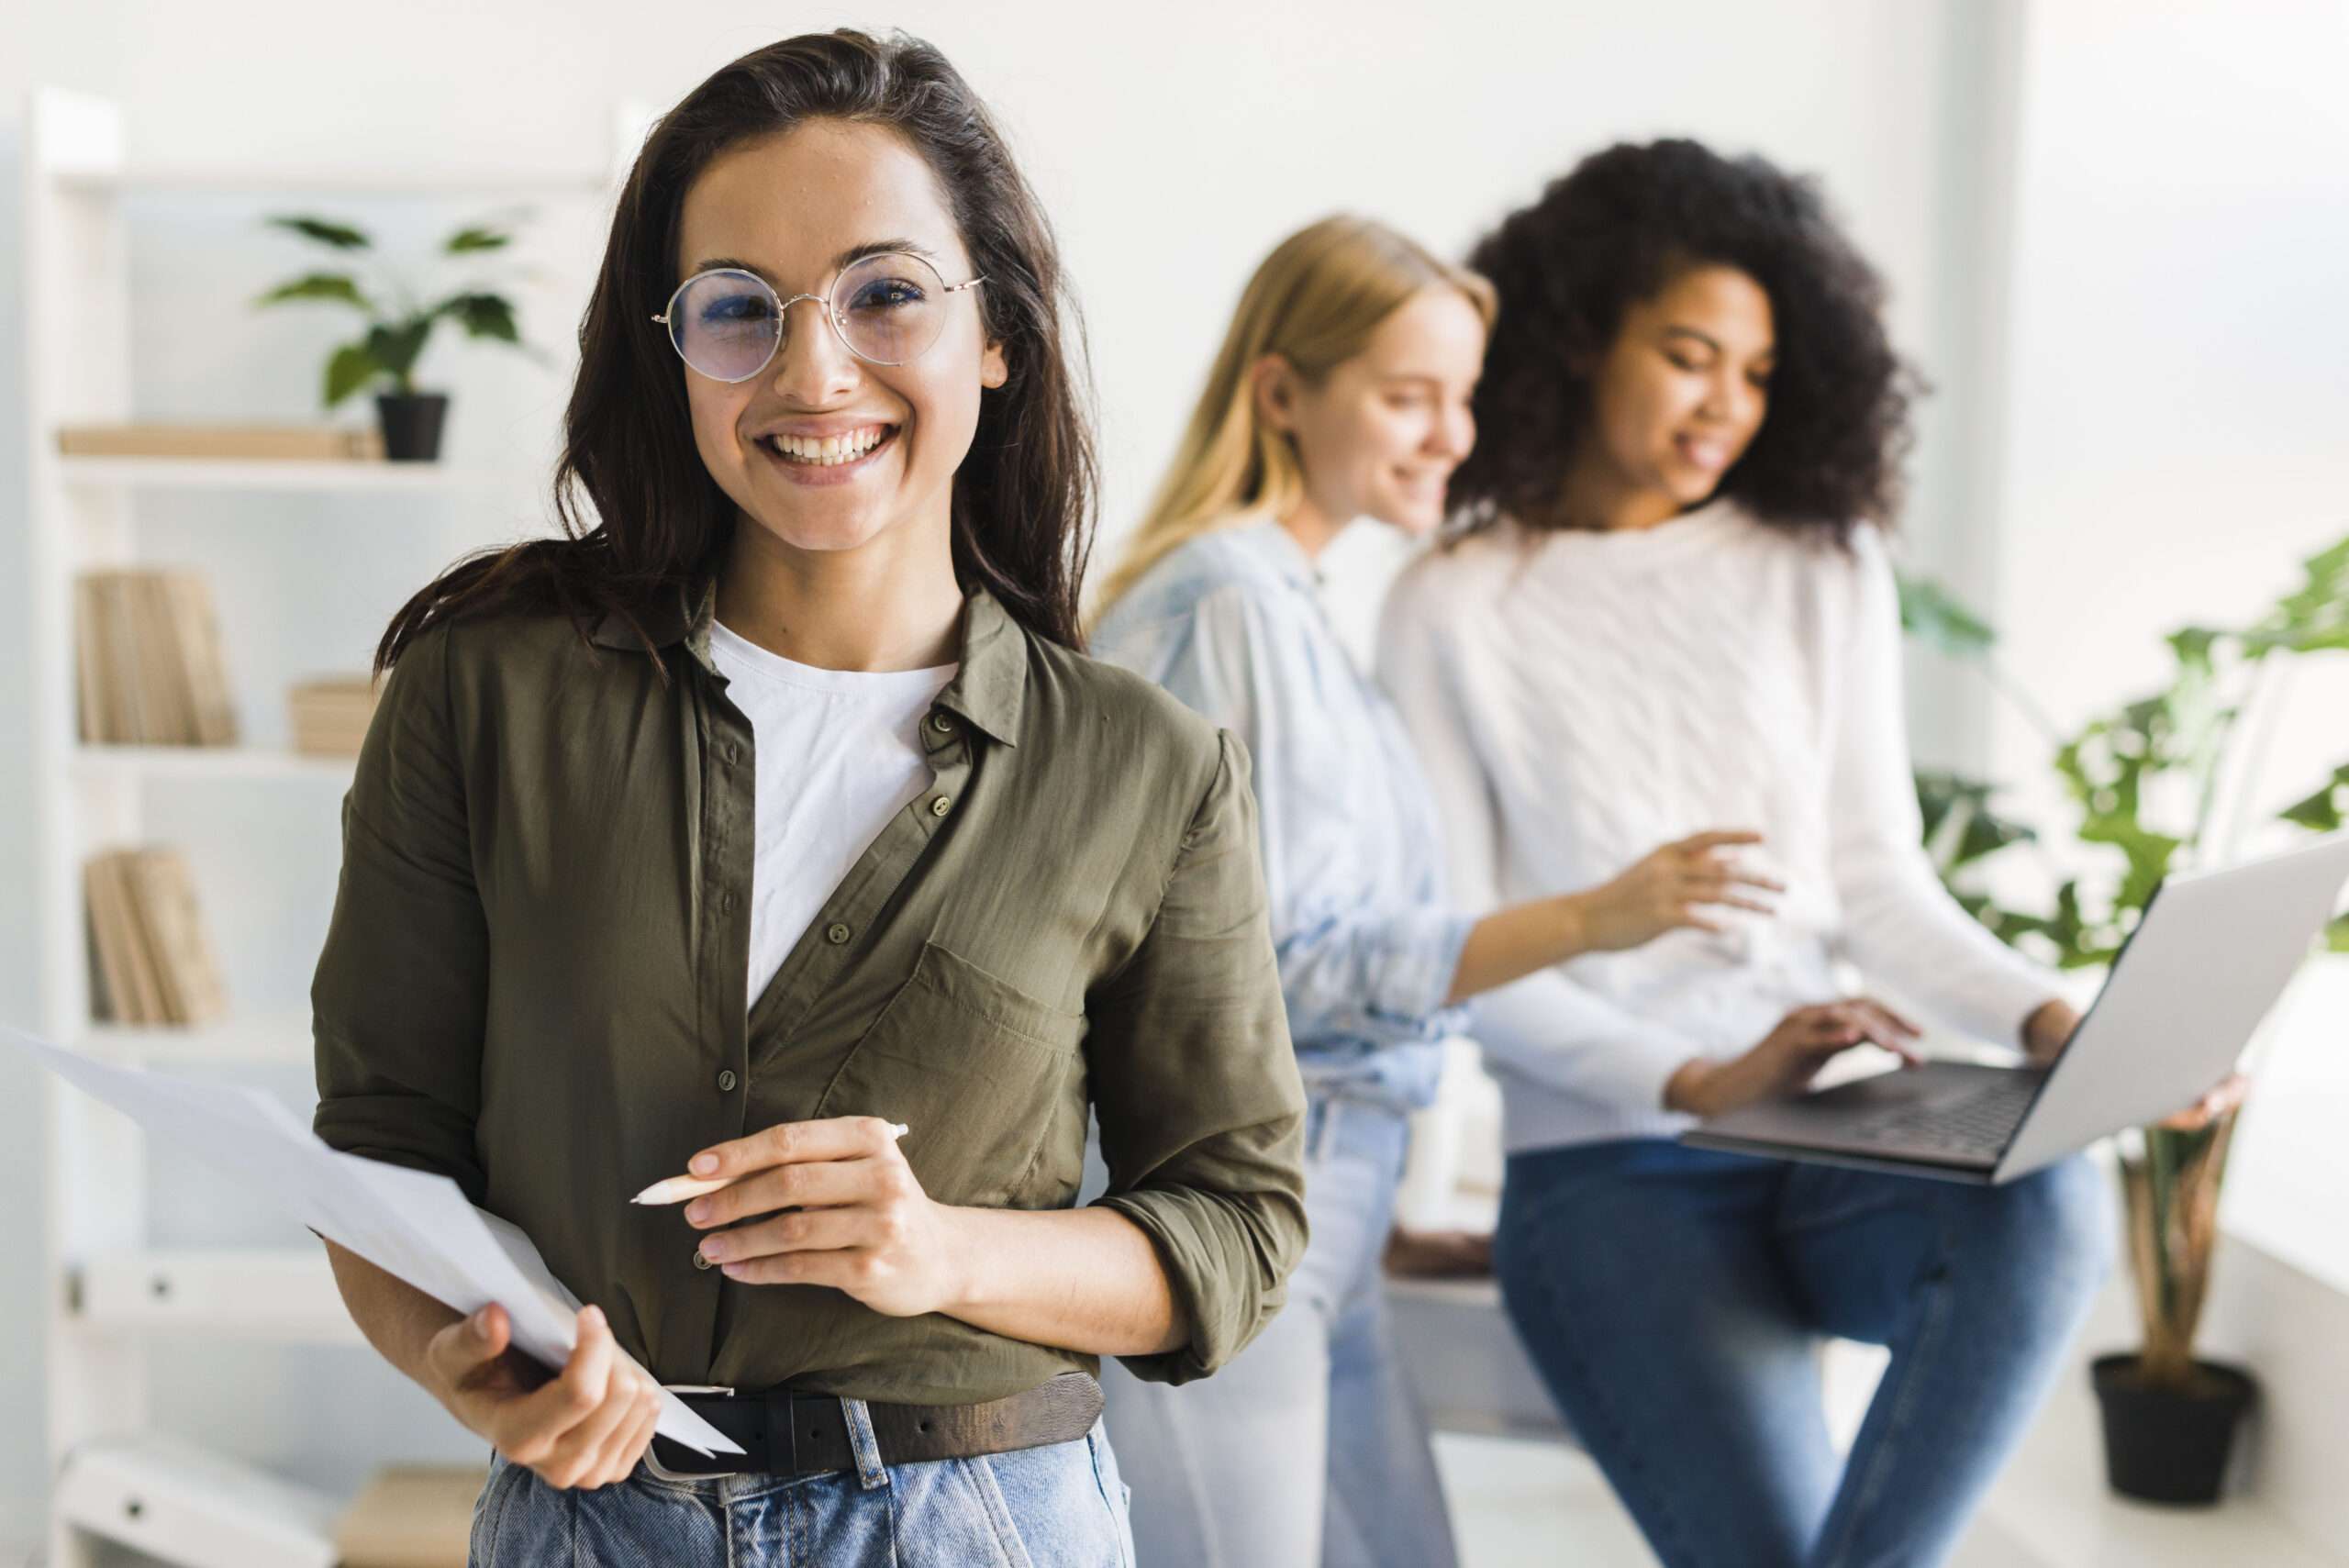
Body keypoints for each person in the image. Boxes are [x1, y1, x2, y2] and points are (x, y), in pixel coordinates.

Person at [309, 30, 1308, 1566]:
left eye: (886, 293)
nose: (812, 370)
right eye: (738, 312)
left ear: (996, 332)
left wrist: (937, 1249)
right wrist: (477, 1371)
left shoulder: (1146, 765)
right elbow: (381, 1146)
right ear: (676, 352)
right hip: (591, 1524)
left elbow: (1237, 1230)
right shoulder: (485, 691)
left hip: (983, 1521)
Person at [1376, 139, 2130, 1568]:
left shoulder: (1820, 562)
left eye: (1760, 371)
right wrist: (1703, 1079)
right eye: (1688, 353)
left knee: (2051, 1190)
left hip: (1834, 1138)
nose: (1728, 402)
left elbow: (1878, 885)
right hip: (1612, 1170)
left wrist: (2050, 1020)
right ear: (1583, 336)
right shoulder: (1451, 605)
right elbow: (1464, 960)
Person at [1088, 215, 1778, 1568]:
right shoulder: (1227, 602)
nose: (1451, 435)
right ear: (1284, 391)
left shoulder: (1294, 611)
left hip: (1327, 1201)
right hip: (1241, 1208)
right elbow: (1277, 967)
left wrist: (1395, 1199)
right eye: (1410, 396)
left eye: (1461, 396)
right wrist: (1592, 918)